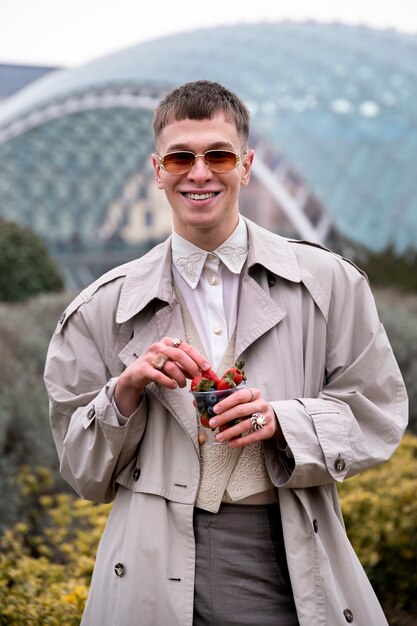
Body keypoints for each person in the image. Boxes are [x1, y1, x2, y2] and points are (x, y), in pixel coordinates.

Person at [44, 80, 408, 626]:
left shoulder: (331, 284)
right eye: (180, 157)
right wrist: (125, 391)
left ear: (247, 164)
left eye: (218, 154)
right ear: (157, 168)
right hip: (149, 563)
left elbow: (377, 413)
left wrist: (284, 422)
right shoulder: (101, 309)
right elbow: (81, 470)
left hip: (287, 552)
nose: (199, 172)